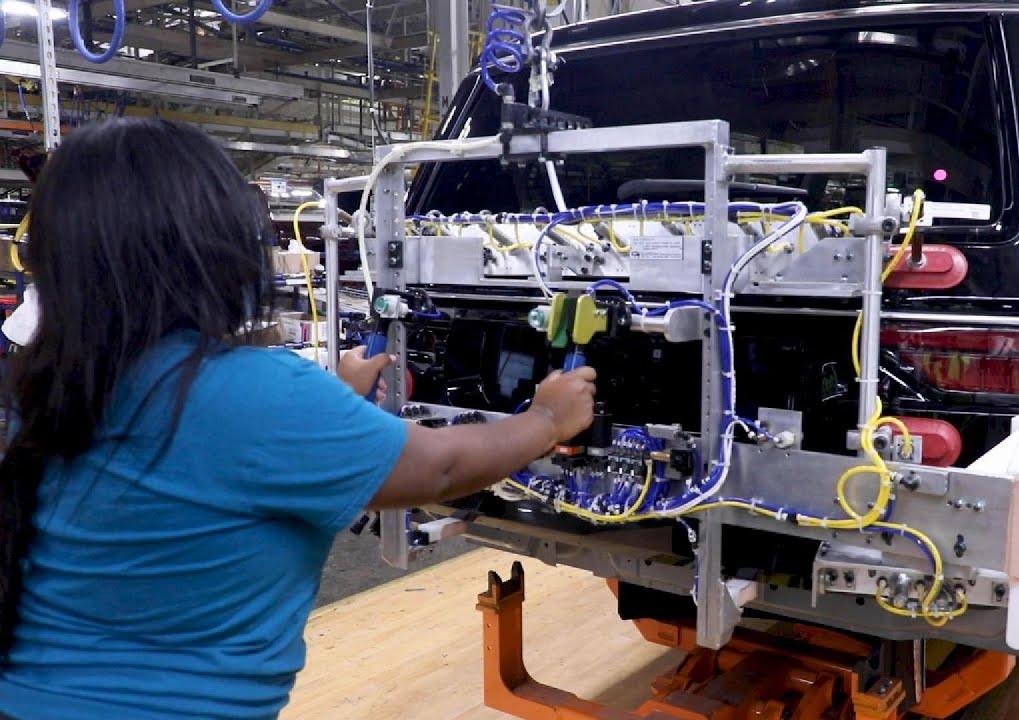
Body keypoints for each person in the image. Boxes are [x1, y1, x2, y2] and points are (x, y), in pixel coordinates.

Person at [0, 117, 597, 719]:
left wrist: (331, 397)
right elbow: (439, 470)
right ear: (208, 246)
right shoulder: (245, 391)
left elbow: (208, 471)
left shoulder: (52, 383)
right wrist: (546, 418)